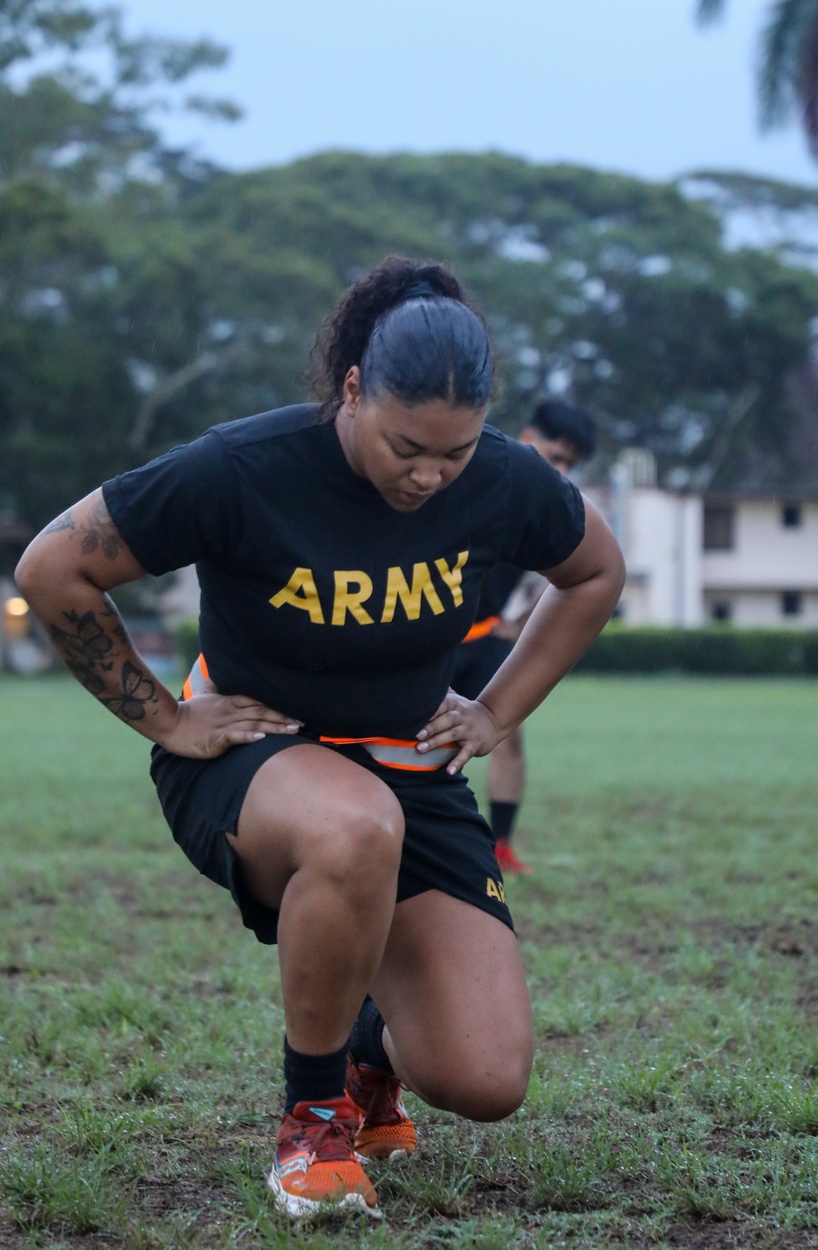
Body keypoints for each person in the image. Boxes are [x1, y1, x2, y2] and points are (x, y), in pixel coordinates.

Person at [15, 256, 625, 1223]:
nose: (428, 474)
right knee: (354, 826)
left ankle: (368, 1048)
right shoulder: (242, 468)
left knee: (484, 1077)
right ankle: (313, 1123)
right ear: (352, 391)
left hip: (408, 772)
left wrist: (499, 710)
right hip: (250, 763)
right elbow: (53, 569)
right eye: (404, 445)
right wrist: (168, 718)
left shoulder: (505, 478)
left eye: (453, 454)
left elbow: (594, 571)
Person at [450, 399, 597, 874]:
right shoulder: (473, 477)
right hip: (428, 642)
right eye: (555, 457)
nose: (559, 471)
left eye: (569, 465)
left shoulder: (539, 505)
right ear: (528, 437)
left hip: (486, 637)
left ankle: (502, 846)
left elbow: (571, 578)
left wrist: (522, 623)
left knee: (507, 734)